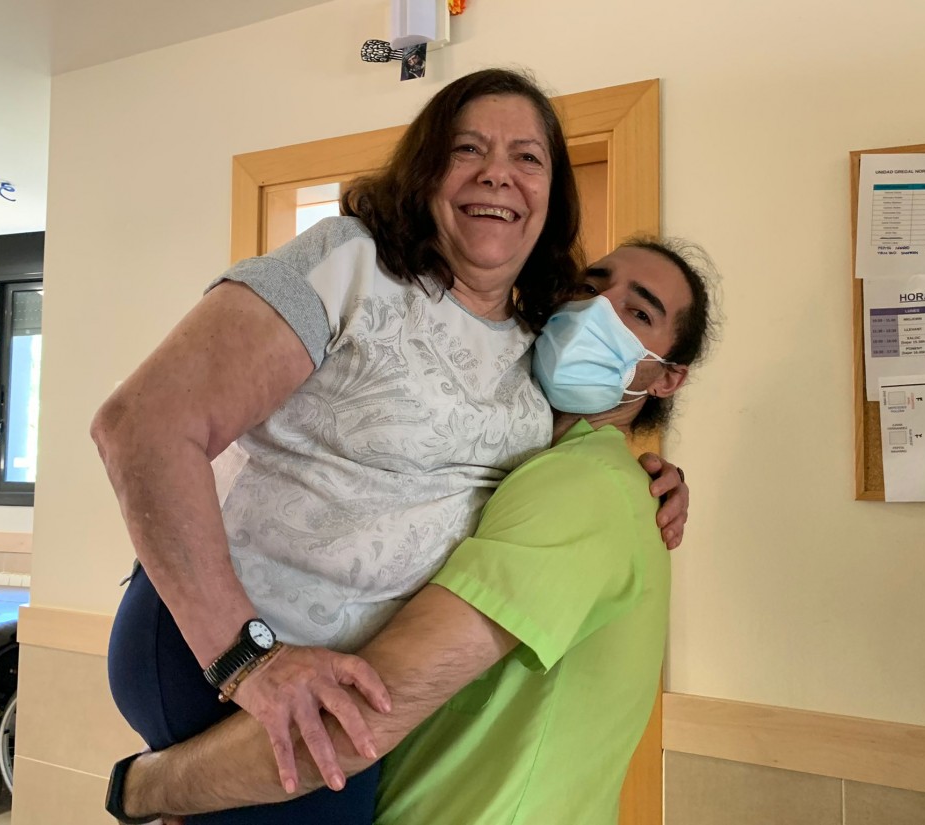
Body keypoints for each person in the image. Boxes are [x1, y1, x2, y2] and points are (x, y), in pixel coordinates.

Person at [92, 68, 690, 824]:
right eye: (467, 148)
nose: (497, 172)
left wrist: (649, 477)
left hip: (339, 681)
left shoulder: (535, 344)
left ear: (552, 195)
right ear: (426, 168)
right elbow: (139, 424)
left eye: (527, 157)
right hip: (232, 648)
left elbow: (570, 449)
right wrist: (247, 660)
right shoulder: (353, 263)